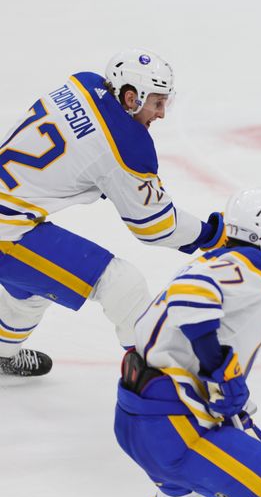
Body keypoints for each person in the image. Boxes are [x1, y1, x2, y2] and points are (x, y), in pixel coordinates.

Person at [0, 48, 226, 377]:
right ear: (131, 98)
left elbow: (82, 149)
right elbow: (156, 226)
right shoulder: (127, 144)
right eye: (157, 103)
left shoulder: (83, 83)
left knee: (33, 285)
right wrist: (211, 235)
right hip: (7, 232)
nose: (161, 113)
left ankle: (2, 352)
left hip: (12, 217)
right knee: (122, 285)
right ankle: (154, 382)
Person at [114, 188, 261, 497]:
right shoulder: (251, 267)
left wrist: (236, 408)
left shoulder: (216, 260)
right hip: (172, 425)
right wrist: (218, 368)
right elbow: (190, 295)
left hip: (140, 415)